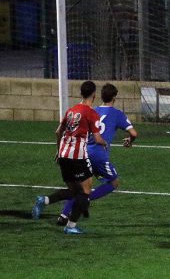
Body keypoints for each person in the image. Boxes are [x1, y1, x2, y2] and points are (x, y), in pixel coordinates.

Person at [56, 83, 138, 226]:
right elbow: (133, 133)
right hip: (99, 156)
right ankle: (85, 201)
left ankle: (63, 215)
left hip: (83, 153)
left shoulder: (92, 110)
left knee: (78, 187)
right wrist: (129, 141)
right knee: (113, 182)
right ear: (114, 97)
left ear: (100, 96)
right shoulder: (118, 114)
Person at [31, 80, 107, 234]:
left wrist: (59, 151)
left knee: (73, 191)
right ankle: (70, 226)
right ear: (94, 94)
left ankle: (44, 200)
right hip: (77, 157)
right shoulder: (91, 113)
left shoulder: (71, 111)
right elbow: (98, 138)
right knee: (85, 192)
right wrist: (105, 143)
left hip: (64, 155)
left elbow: (58, 132)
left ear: (81, 93)